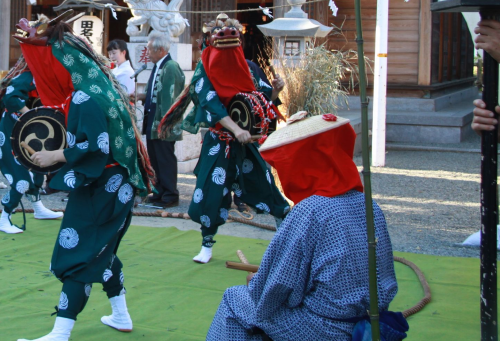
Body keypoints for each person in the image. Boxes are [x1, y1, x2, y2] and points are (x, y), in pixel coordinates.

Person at [14, 15, 155, 341]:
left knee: (79, 252)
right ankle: (120, 315)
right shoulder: (99, 87)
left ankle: (60, 333)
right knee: (101, 251)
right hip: (114, 183)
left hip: (103, 184)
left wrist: (55, 156)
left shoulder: (84, 96)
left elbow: (96, 145)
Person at [207, 113, 406, 341]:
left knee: (235, 299)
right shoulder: (369, 204)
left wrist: (257, 283)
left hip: (327, 327)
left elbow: (275, 289)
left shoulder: (311, 210)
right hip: (373, 321)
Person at [160, 17, 288, 264]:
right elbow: (210, 103)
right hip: (219, 142)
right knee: (211, 192)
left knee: (265, 185)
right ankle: (206, 244)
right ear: (211, 44)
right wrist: (233, 128)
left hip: (247, 143)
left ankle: (286, 237)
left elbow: (260, 104)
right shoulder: (204, 70)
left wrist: (275, 91)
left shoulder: (249, 67)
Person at [0, 57, 63, 234]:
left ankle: (38, 208)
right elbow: (10, 98)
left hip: (32, 132)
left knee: (37, 168)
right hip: (12, 133)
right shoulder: (26, 77)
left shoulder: (47, 77)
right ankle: (5, 217)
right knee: (21, 177)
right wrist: (30, 115)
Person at [141, 32, 185, 208]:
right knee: (156, 158)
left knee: (165, 158)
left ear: (160, 50)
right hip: (154, 120)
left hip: (163, 122)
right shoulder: (159, 65)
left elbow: (169, 98)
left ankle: (170, 194)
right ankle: (159, 191)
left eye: (150, 49)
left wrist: (164, 123)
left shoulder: (171, 67)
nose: (148, 52)